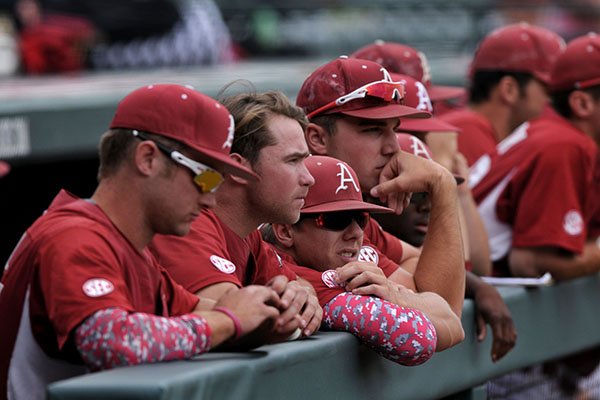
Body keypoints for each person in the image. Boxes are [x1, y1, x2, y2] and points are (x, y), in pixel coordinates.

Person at [0, 84, 288, 400]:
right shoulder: (75, 236)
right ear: (147, 158)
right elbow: (111, 341)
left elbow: (202, 311)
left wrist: (275, 313)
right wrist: (228, 321)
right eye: (205, 176)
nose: (211, 199)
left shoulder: (132, 250)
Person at [471, 32, 600, 398]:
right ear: (582, 103)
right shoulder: (563, 145)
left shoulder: (560, 137)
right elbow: (531, 261)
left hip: (515, 342)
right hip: (495, 349)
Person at [295, 56, 466, 322]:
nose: (393, 147)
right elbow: (446, 313)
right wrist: (442, 187)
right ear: (317, 138)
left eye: (393, 130)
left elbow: (443, 310)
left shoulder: (351, 213)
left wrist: (442, 183)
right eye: (373, 130)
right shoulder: (280, 209)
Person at [150, 90, 322, 345]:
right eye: (293, 161)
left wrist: (302, 294)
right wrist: (291, 311)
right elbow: (239, 320)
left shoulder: (247, 234)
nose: (309, 178)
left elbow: (301, 288)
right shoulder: (189, 226)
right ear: (239, 169)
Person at [263, 155, 463, 360]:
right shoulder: (293, 274)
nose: (356, 233)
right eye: (336, 219)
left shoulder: (340, 253)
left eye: (360, 218)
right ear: (286, 232)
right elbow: (419, 338)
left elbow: (453, 321)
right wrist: (404, 300)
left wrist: (396, 296)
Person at [373, 134, 517, 362]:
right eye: (416, 194)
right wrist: (479, 286)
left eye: (433, 195)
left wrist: (481, 287)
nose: (429, 207)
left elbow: (478, 265)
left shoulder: (410, 250)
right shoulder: (360, 243)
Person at [439, 22, 566, 166]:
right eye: (548, 91)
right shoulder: (467, 131)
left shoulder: (478, 131)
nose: (554, 102)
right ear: (509, 89)